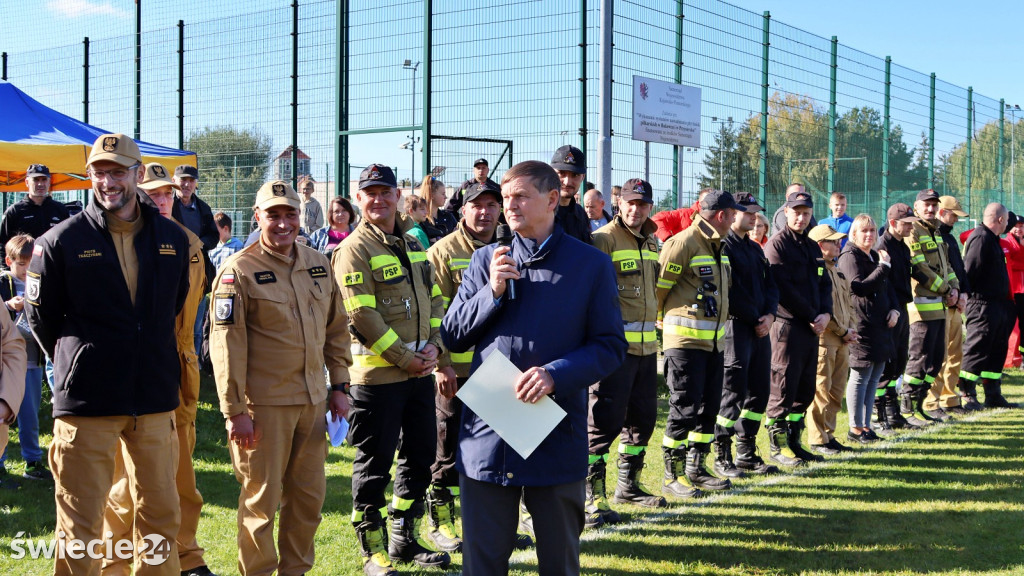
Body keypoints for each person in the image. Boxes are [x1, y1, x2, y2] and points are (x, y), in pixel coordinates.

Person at [442, 160, 625, 576]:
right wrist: (492, 291)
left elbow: (610, 345)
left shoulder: (589, 265)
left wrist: (555, 374)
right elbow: (453, 335)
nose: (510, 206)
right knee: (482, 564)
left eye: (520, 196)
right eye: (506, 198)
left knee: (559, 563)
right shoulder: (487, 259)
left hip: (555, 432)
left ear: (553, 200)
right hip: (489, 434)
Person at [27, 133, 190, 576]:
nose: (108, 181)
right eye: (99, 172)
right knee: (80, 525)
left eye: (118, 171)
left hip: (154, 399)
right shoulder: (59, 241)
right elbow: (43, 320)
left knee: (160, 518)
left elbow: (172, 306)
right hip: (87, 403)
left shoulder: (174, 239)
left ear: (138, 175)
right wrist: (82, 362)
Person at [210, 180, 352, 575]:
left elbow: (336, 330)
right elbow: (226, 347)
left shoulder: (319, 263)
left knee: (308, 502)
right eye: (273, 215)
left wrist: (339, 386)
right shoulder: (238, 271)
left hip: (313, 402)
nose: (283, 223)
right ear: (258, 217)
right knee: (261, 504)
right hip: (263, 410)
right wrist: (234, 409)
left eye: (291, 214)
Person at [334, 164, 450, 575]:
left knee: (420, 456)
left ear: (398, 195)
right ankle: (373, 549)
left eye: (385, 191)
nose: (378, 199)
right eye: (370, 193)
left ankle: (404, 535)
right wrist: (406, 357)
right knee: (374, 462)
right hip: (378, 379)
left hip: (419, 375)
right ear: (359, 199)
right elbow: (362, 316)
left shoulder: (413, 242)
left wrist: (434, 347)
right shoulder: (353, 249)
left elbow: (435, 297)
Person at [102, 161, 215, 576]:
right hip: (130, 372)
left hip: (178, 370)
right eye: (153, 194)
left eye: (167, 193)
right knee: (122, 481)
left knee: (182, 474)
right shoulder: (117, 241)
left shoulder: (188, 244)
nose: (162, 200)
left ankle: (185, 556)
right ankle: (116, 559)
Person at [425, 179, 502, 553]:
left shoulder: (510, 248)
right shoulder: (442, 252)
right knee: (448, 448)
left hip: (500, 371)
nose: (485, 212)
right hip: (457, 371)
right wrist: (441, 366)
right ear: (462, 210)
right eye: (477, 205)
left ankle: (482, 522)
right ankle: (441, 521)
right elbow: (434, 312)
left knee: (493, 450)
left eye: (492, 204)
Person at [587, 178, 667, 527]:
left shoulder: (652, 241)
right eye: (631, 203)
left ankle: (628, 486)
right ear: (619, 204)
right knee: (602, 424)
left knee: (643, 421)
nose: (636, 209)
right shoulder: (603, 239)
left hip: (648, 350)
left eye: (643, 204)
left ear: (650, 207)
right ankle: (591, 495)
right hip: (613, 352)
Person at [657, 189, 741, 494]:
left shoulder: (720, 245)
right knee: (683, 408)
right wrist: (665, 325)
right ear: (721, 216)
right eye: (733, 214)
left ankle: (696, 468)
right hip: (685, 345)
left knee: (708, 409)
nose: (735, 220)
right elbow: (659, 289)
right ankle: (672, 474)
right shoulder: (683, 243)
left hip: (714, 345)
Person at [763, 191, 832, 466]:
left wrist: (826, 313)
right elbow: (784, 290)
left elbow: (824, 283)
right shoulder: (776, 245)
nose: (801, 217)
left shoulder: (813, 246)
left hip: (812, 327)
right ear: (786, 213)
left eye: (806, 213)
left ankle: (794, 442)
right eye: (796, 212)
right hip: (787, 327)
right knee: (783, 387)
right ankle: (777, 447)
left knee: (804, 389)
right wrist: (813, 315)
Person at [715, 192, 779, 477]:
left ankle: (746, 450)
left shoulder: (755, 249)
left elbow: (771, 287)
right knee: (733, 391)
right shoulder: (723, 246)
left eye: (756, 213)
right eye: (748, 212)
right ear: (733, 213)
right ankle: (721, 452)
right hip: (736, 327)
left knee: (759, 392)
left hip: (760, 328)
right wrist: (756, 318)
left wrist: (770, 315)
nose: (754, 218)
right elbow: (730, 292)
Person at [901, 189, 959, 427]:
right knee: (919, 359)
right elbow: (920, 268)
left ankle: (921, 405)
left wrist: (954, 286)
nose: (930, 208)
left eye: (934, 205)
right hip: (921, 308)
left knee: (936, 359)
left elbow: (947, 266)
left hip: (940, 308)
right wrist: (947, 290)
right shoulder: (914, 231)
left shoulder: (936, 231)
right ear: (916, 207)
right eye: (926, 204)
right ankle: (907, 408)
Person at [838, 214, 898, 443]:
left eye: (872, 231)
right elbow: (859, 288)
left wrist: (895, 309)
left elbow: (887, 287)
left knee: (875, 377)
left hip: (881, 325)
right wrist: (883, 267)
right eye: (864, 231)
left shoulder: (874, 255)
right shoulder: (849, 256)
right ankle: (855, 427)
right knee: (861, 376)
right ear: (854, 233)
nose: (869, 235)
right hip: (861, 325)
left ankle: (866, 426)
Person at [806, 224, 858, 453]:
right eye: (833, 241)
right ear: (819, 245)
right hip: (825, 339)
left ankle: (829, 433)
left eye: (839, 241)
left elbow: (848, 305)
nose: (839, 245)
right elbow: (822, 310)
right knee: (821, 390)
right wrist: (842, 331)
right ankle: (817, 438)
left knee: (837, 390)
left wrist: (852, 329)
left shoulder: (837, 271)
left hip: (843, 339)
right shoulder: (815, 272)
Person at [961, 203, 1017, 408]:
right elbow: (970, 271)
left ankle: (993, 394)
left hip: (998, 305)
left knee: (996, 350)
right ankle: (966, 392)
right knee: (977, 348)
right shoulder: (981, 238)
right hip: (982, 304)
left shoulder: (992, 239)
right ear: (1000, 220)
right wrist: (966, 297)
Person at [0, 234, 47, 481]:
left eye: (31, 263)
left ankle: (32, 461)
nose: (26, 269)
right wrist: (8, 306)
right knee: (3, 415)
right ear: (9, 261)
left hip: (31, 360)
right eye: (21, 263)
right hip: (7, 364)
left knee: (30, 414)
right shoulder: (2, 282)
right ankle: (2, 463)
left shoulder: (40, 281)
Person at [924, 195, 970, 420]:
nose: (955, 220)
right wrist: (948, 292)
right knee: (939, 355)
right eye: (953, 215)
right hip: (940, 303)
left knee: (955, 353)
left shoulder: (949, 238)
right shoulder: (934, 235)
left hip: (955, 302)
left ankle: (950, 398)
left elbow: (956, 269)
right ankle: (932, 401)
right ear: (942, 213)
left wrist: (963, 293)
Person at [874, 203, 918, 432]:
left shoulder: (902, 245)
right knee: (886, 365)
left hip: (902, 308)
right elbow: (883, 283)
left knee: (899, 362)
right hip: (889, 313)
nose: (911, 227)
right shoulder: (883, 246)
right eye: (907, 223)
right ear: (893, 223)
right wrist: (892, 309)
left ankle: (893, 413)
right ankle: (879, 415)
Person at [172, 165, 218, 366]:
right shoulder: (166, 205)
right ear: (174, 180)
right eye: (183, 179)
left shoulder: (203, 208)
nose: (187, 184)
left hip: (198, 273)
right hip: (172, 271)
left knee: (196, 323)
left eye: (191, 180)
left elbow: (214, 236)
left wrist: (199, 244)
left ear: (196, 183)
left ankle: (194, 364)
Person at [0, 163, 70, 264]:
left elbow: (67, 241)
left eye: (44, 179)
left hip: (53, 267)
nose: (40, 184)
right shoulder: (14, 211)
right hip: (24, 270)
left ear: (50, 182)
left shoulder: (60, 209)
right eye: (36, 180)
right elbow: (3, 244)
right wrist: (5, 270)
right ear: (27, 182)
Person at [550, 145, 593, 244]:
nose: (567, 182)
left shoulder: (581, 215)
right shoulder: (538, 211)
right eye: (561, 173)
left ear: (583, 177)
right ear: (551, 173)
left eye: (575, 175)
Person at [1002, 217, 1024, 368]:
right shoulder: (1006, 242)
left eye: (1021, 226)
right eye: (1016, 226)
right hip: (1012, 291)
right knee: (1008, 326)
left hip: (1021, 290)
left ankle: (1020, 357)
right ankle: (1007, 359)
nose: (1019, 229)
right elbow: (1011, 263)